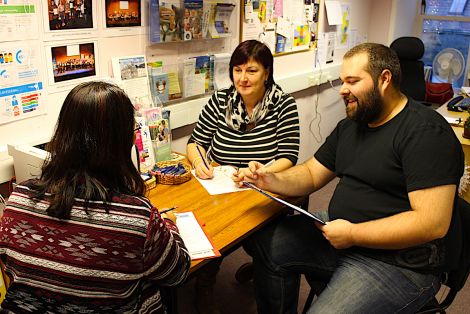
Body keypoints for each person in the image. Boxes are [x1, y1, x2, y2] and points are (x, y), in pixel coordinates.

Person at [237, 43, 464, 313]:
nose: (343, 89)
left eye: (353, 81)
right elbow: (311, 173)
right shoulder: (351, 126)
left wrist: (353, 234)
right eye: (342, 81)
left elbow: (431, 223)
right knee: (265, 243)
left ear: (384, 80)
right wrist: (268, 180)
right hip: (342, 236)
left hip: (400, 263)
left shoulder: (425, 132)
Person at [0, 81, 191, 313]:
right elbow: (177, 272)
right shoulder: (138, 218)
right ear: (124, 141)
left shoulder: (17, 200)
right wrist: (170, 225)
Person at [187, 40, 300, 313]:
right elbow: (194, 142)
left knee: (261, 240)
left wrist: (261, 172)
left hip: (263, 187)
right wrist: (200, 161)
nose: (243, 78)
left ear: (267, 73)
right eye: (237, 70)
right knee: (207, 228)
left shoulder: (283, 105)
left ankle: (261, 264)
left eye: (251, 71)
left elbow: (288, 156)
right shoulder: (219, 101)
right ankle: (205, 283)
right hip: (222, 187)